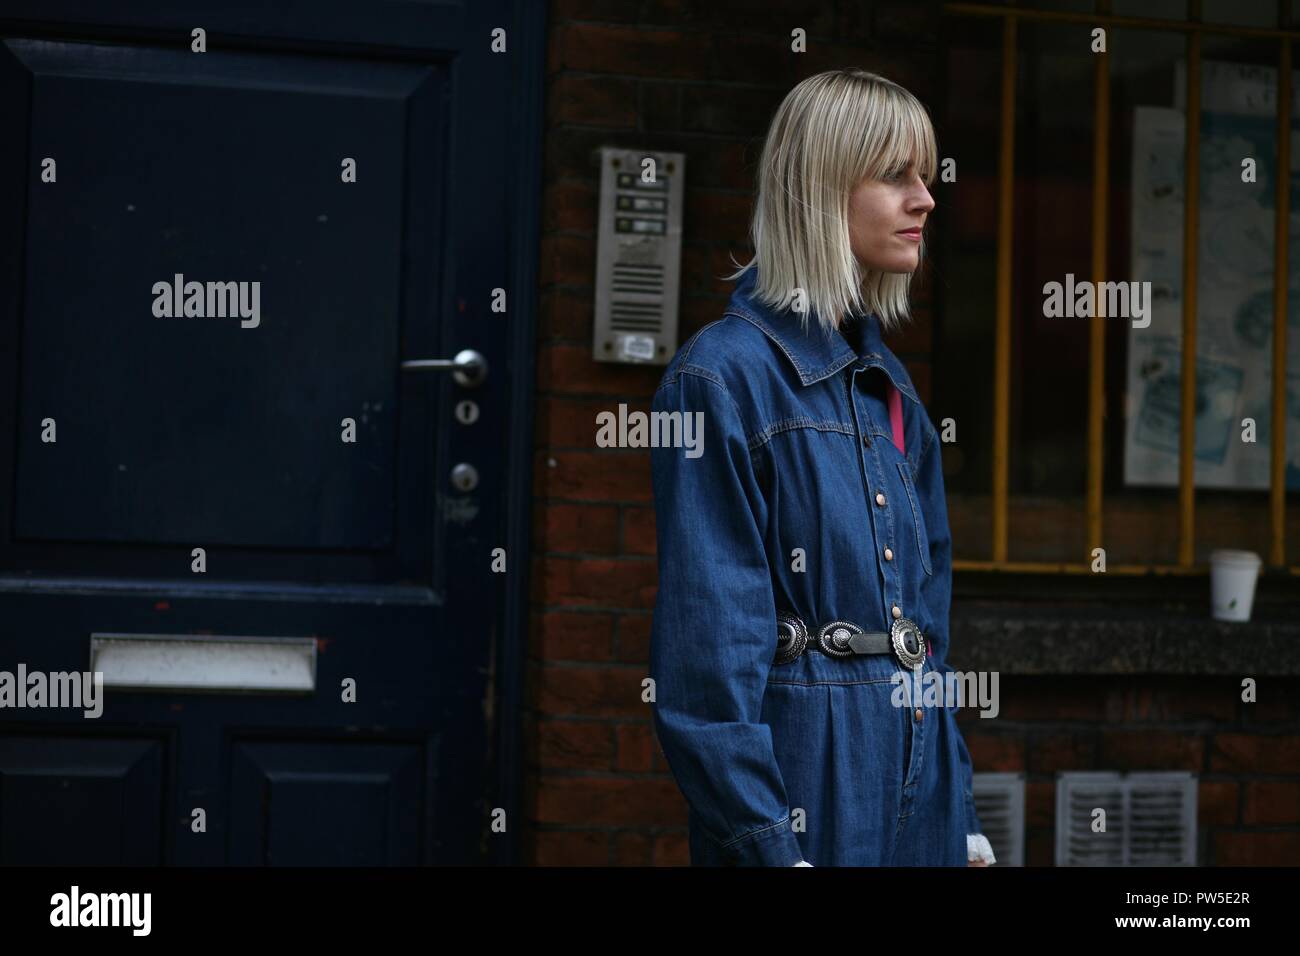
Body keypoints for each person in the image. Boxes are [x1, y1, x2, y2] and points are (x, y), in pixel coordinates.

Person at [648, 68, 996, 867]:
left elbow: (928, 633)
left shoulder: (893, 394)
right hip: (806, 767)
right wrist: (767, 841)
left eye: (927, 176)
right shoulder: (720, 378)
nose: (925, 200)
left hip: (920, 780)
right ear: (819, 188)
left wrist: (959, 808)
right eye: (894, 175)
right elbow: (708, 657)